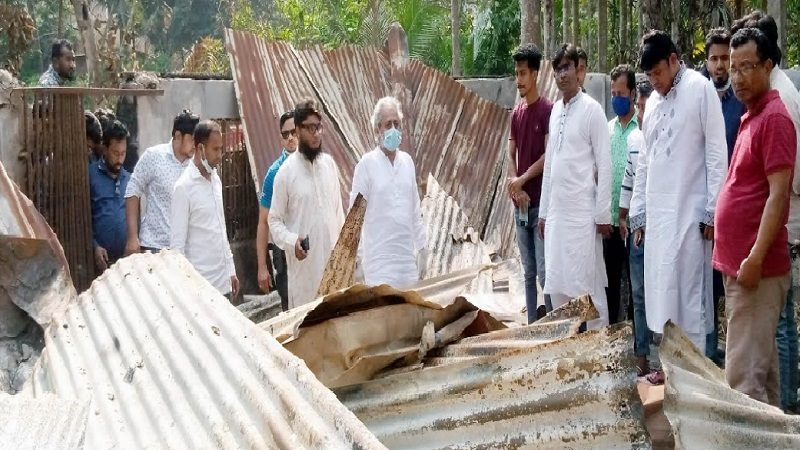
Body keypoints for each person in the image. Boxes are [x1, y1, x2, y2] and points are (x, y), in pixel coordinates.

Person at [630, 30, 727, 353]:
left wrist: (713, 210)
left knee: (690, 299)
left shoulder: (700, 89)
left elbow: (716, 153)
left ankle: (696, 381)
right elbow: (645, 158)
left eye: (657, 72)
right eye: (649, 75)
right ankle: (672, 374)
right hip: (659, 219)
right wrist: (638, 212)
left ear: (674, 60)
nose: (654, 81)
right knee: (663, 295)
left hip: (691, 216)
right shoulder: (654, 102)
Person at [714, 27, 796, 407]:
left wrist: (755, 258)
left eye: (747, 67)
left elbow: (778, 196)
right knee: (761, 377)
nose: (738, 76)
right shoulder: (752, 116)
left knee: (744, 385)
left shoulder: (775, 118)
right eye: (734, 68)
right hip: (745, 268)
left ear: (768, 66)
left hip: (756, 272)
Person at [538, 44, 612, 329]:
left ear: (579, 70)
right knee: (557, 282)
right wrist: (544, 212)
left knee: (589, 287)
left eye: (567, 67)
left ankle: (602, 355)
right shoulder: (555, 111)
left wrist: (602, 214)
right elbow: (550, 166)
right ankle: (566, 353)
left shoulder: (592, 110)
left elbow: (604, 165)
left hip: (583, 216)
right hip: (557, 214)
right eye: (557, 69)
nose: (561, 75)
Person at [269, 99, 345, 309]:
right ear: (298, 129)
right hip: (305, 276)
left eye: (318, 127)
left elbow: (338, 216)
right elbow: (274, 222)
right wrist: (292, 241)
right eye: (309, 128)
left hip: (334, 273)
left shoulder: (329, 165)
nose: (316, 133)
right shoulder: (285, 173)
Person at [702, 26, 746, 365]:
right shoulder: (699, 98)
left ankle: (733, 360)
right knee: (704, 291)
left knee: (732, 293)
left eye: (724, 59)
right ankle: (707, 356)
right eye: (714, 58)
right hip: (704, 214)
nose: (719, 65)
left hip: (734, 216)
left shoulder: (742, 104)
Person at [350, 96, 427, 288]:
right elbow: (354, 218)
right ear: (378, 129)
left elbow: (415, 211)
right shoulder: (366, 165)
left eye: (397, 124)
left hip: (406, 263)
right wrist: (357, 261)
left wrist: (423, 248)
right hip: (379, 266)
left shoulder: (407, 162)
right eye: (387, 124)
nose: (393, 129)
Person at [507, 43, 554, 322]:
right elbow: (509, 149)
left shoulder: (548, 110)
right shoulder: (517, 113)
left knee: (544, 271)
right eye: (516, 73)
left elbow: (550, 156)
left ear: (535, 74)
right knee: (527, 271)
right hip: (520, 205)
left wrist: (522, 180)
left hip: (540, 206)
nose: (518, 80)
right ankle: (531, 326)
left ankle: (550, 326)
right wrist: (515, 184)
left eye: (523, 73)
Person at [171, 120, 239, 298]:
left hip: (223, 283)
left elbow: (220, 228)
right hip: (200, 289)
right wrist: (185, 289)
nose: (220, 155)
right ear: (200, 148)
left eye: (221, 148)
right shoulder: (184, 188)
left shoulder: (215, 179)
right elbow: (177, 247)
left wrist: (230, 269)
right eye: (215, 149)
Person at [620, 79, 656, 379]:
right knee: (640, 296)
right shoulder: (635, 141)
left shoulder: (665, 140)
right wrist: (624, 216)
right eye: (641, 107)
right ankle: (642, 357)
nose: (642, 114)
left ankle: (667, 362)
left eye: (646, 107)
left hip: (661, 231)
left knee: (663, 294)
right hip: (636, 231)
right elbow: (629, 183)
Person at [124, 110, 199, 254]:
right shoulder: (154, 156)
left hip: (185, 251)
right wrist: (132, 237)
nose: (196, 145)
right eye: (192, 140)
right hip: (154, 247)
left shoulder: (197, 165)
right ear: (178, 136)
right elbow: (132, 191)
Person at [605, 64, 638, 325]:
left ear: (633, 94)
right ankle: (613, 331)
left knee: (636, 283)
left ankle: (636, 339)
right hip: (610, 222)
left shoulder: (643, 128)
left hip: (634, 222)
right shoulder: (608, 129)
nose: (616, 98)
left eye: (621, 93)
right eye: (613, 93)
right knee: (610, 283)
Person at [256, 110, 297, 311]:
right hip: (284, 252)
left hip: (310, 248)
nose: (290, 138)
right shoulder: (275, 173)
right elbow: (263, 222)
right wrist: (262, 267)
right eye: (285, 134)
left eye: (294, 132)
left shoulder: (315, 164)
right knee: (291, 311)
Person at [89, 120, 130, 272]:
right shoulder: (91, 175)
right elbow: (82, 218)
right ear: (105, 149)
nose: (120, 159)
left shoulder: (130, 180)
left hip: (126, 263)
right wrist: (94, 246)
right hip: (99, 261)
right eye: (115, 153)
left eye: (123, 153)